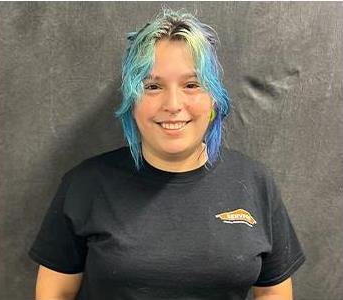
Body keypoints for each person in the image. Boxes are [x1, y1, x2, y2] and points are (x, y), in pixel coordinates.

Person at [28, 8, 305, 300]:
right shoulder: (85, 184)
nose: (173, 104)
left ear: (213, 99)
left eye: (191, 85)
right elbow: (55, 292)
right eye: (153, 86)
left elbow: (273, 290)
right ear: (132, 102)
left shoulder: (255, 182)